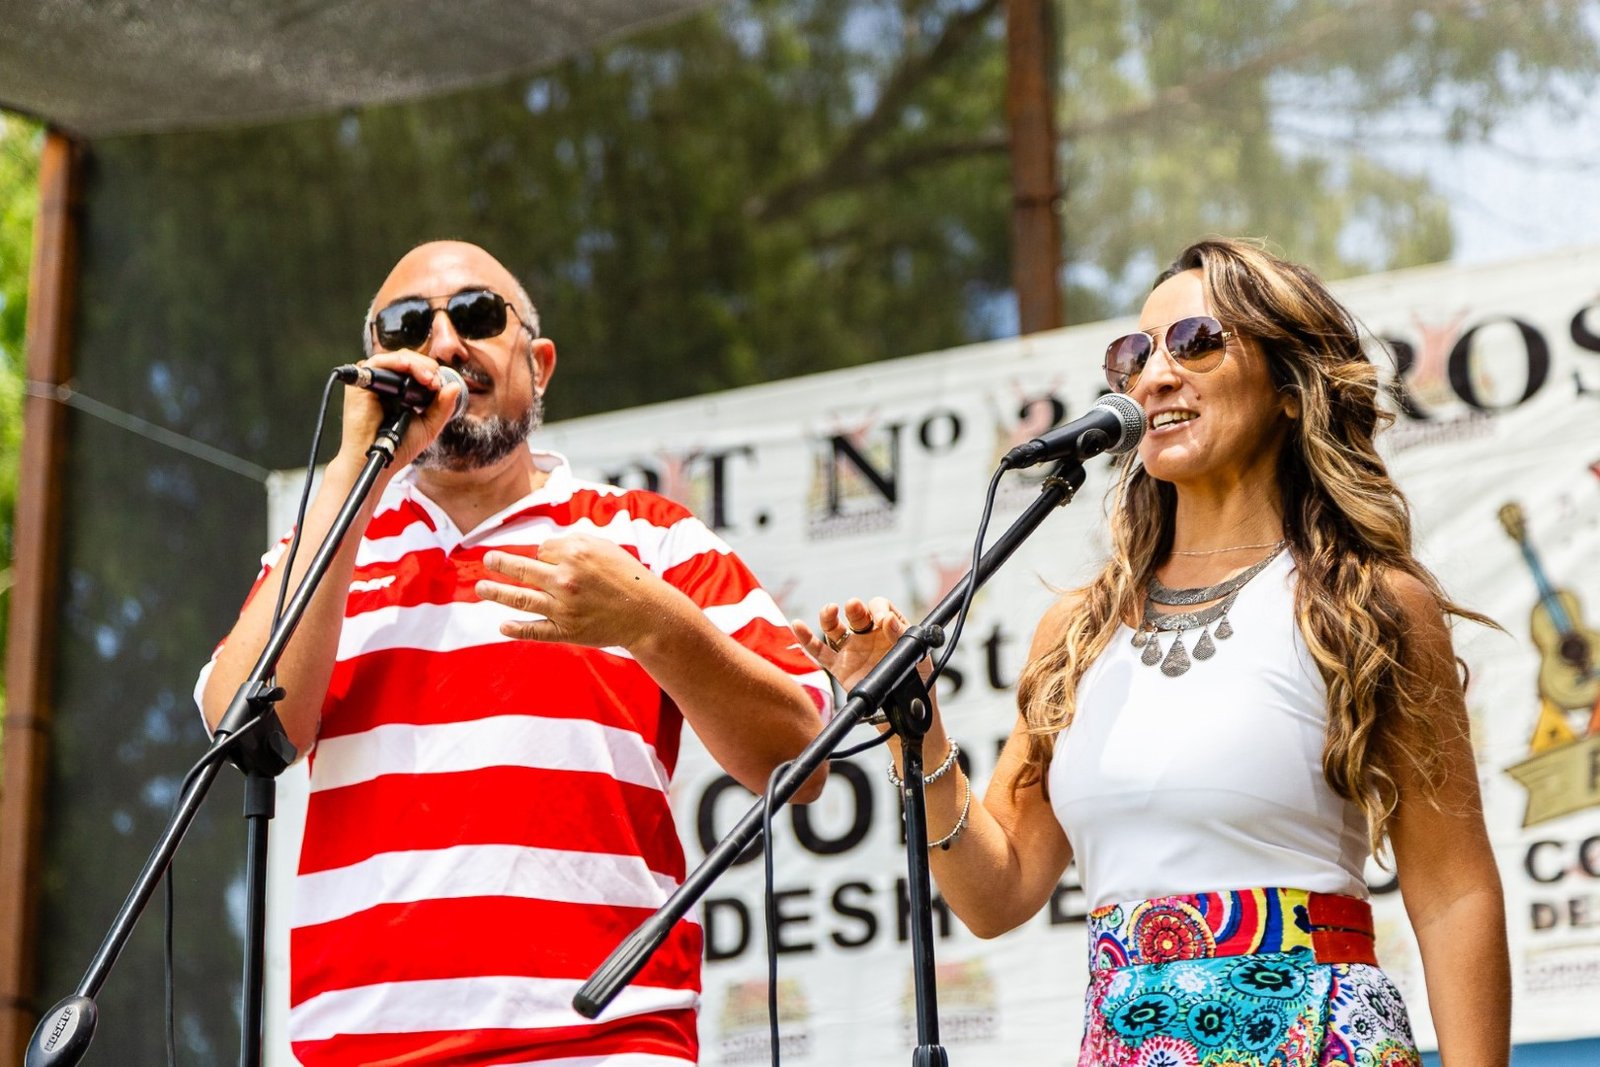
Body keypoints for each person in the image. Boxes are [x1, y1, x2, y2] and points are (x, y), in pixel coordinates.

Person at [796, 238, 1510, 1066]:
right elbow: (998, 892)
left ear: (1289, 386)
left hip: (1316, 1037)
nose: (1155, 376)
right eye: (1133, 355)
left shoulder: (1366, 603)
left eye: (1196, 342)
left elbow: (1455, 893)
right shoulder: (1076, 630)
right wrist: (909, 723)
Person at [197, 240, 830, 1066]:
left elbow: (801, 756)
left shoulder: (647, 538)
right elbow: (240, 728)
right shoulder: (329, 547)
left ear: (540, 363)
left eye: (477, 315)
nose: (444, 343)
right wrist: (355, 468)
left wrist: (653, 622)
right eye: (407, 327)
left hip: (602, 1046)